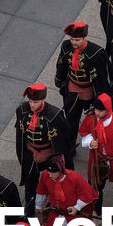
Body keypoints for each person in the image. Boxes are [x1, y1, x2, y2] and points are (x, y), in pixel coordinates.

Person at [15, 82, 72, 212]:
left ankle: (53, 205)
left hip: (49, 153)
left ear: (42, 100)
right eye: (30, 101)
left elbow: (64, 138)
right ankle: (29, 210)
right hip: (31, 152)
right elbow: (20, 133)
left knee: (53, 179)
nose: (31, 104)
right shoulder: (22, 110)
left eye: (35, 102)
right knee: (30, 183)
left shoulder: (54, 115)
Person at [55, 21, 112, 131]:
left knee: (93, 119)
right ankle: (71, 146)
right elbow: (61, 63)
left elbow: (101, 77)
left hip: (89, 91)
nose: (73, 43)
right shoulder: (66, 46)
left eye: (77, 40)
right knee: (71, 119)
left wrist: (100, 97)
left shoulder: (96, 52)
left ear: (84, 38)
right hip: (72, 88)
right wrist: (59, 79)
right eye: (72, 39)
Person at [35, 157, 96, 226]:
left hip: (74, 216)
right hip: (55, 215)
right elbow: (41, 191)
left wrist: (77, 207)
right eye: (49, 171)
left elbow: (87, 194)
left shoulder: (75, 177)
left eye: (53, 172)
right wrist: (38, 206)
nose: (50, 175)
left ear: (61, 170)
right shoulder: (45, 175)